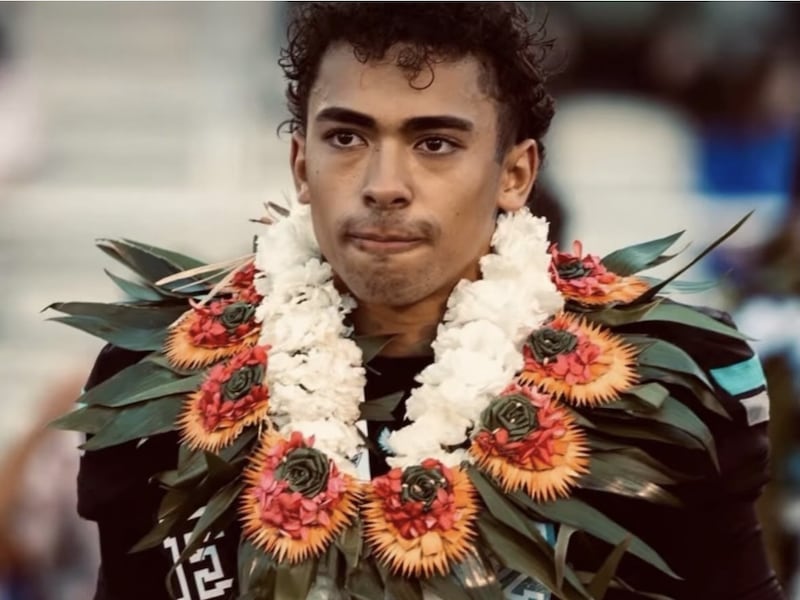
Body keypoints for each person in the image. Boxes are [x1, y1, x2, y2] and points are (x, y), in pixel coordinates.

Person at [61, 4, 784, 599]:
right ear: (301, 164)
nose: (384, 184)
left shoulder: (662, 382)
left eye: (434, 143)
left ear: (516, 175)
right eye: (347, 136)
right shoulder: (163, 382)